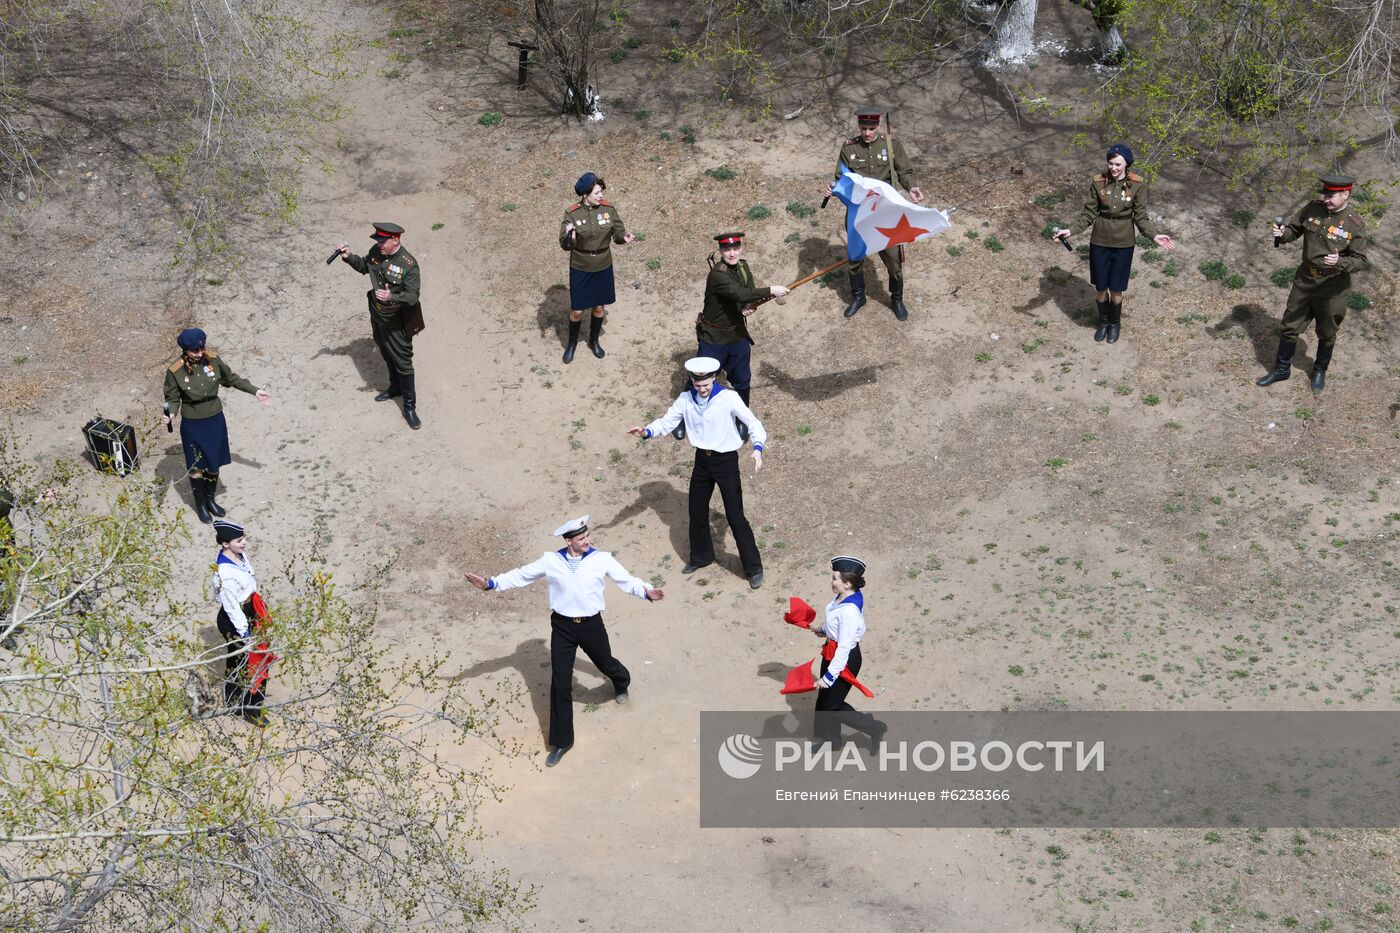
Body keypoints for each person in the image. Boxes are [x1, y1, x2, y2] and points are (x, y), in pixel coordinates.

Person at [464, 515, 664, 768]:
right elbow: (522, 575)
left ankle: (621, 681)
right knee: (560, 683)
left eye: (587, 536)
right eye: (581, 538)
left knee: (606, 663)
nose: (587, 540)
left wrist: (646, 591)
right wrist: (490, 584)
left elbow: (627, 580)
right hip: (562, 627)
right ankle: (561, 742)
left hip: (591, 625)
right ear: (569, 541)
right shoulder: (551, 560)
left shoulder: (601, 559)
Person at [626, 357, 767, 589]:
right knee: (696, 510)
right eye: (698, 385)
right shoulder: (685, 399)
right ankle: (702, 557)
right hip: (702, 460)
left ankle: (753, 568)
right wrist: (646, 432)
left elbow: (753, 423)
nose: (702, 389)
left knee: (735, 515)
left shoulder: (728, 398)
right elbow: (667, 422)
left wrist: (758, 449)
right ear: (692, 380)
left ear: (713, 378)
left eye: (706, 384)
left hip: (726, 462)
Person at [1053, 143, 1177, 344]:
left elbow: (1141, 216)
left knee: (1117, 288)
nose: (1114, 168)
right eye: (1111, 163)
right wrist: (1071, 230)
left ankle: (1114, 323)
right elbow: (1088, 213)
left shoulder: (1137, 184)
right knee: (1101, 287)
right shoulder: (1098, 182)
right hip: (1100, 241)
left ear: (1127, 164)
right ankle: (1103, 322)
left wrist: (1154, 235)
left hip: (1124, 243)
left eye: (1118, 164)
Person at [1257, 175, 1370, 392]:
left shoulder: (1355, 224)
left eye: (1331, 195)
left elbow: (1361, 261)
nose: (1326, 198)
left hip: (1332, 286)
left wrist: (1340, 261)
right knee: (1290, 325)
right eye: (1325, 193)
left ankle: (1319, 370)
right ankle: (1282, 369)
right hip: (1305, 280)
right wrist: (1282, 234)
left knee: (1327, 331)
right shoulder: (1313, 208)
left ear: (1346, 194)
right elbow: (1294, 230)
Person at [162, 328, 272, 524]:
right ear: (185, 350)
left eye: (201, 348)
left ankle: (211, 500)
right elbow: (172, 397)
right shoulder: (175, 371)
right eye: (194, 350)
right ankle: (201, 505)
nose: (199, 353)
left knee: (213, 464)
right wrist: (170, 413)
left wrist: (255, 391)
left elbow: (231, 379)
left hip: (214, 419)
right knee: (196, 468)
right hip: (193, 423)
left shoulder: (213, 360)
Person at [824, 108, 925, 321]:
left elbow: (904, 172)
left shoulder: (891, 145)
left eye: (871, 128)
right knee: (855, 258)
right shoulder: (849, 148)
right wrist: (833, 187)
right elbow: (842, 177)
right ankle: (858, 297)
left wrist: (912, 187)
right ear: (859, 127)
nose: (867, 132)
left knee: (893, 259)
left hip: (885, 211)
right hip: (860, 212)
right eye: (863, 128)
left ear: (878, 126)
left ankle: (897, 299)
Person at [336, 222, 425, 429]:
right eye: (378, 240)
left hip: (397, 321)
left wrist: (391, 295)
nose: (379, 244)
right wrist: (349, 257)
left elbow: (412, 296)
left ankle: (410, 407)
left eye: (383, 241)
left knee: (403, 360)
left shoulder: (408, 264)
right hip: (378, 315)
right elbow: (365, 267)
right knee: (385, 352)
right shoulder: (376, 251)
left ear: (396, 240)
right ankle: (395, 387)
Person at [697, 232, 790, 417]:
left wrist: (746, 307)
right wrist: (772, 290)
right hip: (714, 338)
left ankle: (742, 417)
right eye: (727, 249)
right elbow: (739, 293)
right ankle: (688, 417)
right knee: (701, 378)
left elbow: (747, 294)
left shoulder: (743, 266)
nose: (732, 253)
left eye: (735, 248)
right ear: (720, 251)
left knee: (742, 380)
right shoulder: (717, 275)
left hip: (737, 334)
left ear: (741, 249)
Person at [808, 555, 884, 749]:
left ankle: (874, 727)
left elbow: (844, 645)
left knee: (833, 706)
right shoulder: (843, 596)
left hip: (844, 659)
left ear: (848, 583)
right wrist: (823, 630)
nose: (831, 581)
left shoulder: (850, 611)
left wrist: (829, 676)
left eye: (835, 578)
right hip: (831, 652)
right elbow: (835, 618)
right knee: (825, 698)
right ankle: (832, 739)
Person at [559, 173, 635, 363]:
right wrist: (571, 238)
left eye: (601, 191)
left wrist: (623, 238)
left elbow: (617, 232)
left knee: (599, 308)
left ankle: (593, 342)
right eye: (596, 192)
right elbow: (564, 244)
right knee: (577, 310)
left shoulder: (609, 210)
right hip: (581, 266)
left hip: (602, 265)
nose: (600, 195)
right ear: (585, 195)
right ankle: (572, 344)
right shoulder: (572, 214)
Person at [210, 519, 275, 726]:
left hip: (249, 610)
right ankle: (250, 709)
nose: (244, 543)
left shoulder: (239, 556)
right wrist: (246, 635)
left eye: (243, 538)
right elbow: (230, 607)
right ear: (225, 544)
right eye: (239, 540)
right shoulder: (224, 573)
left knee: (241, 661)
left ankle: (235, 700)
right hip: (235, 619)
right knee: (250, 661)